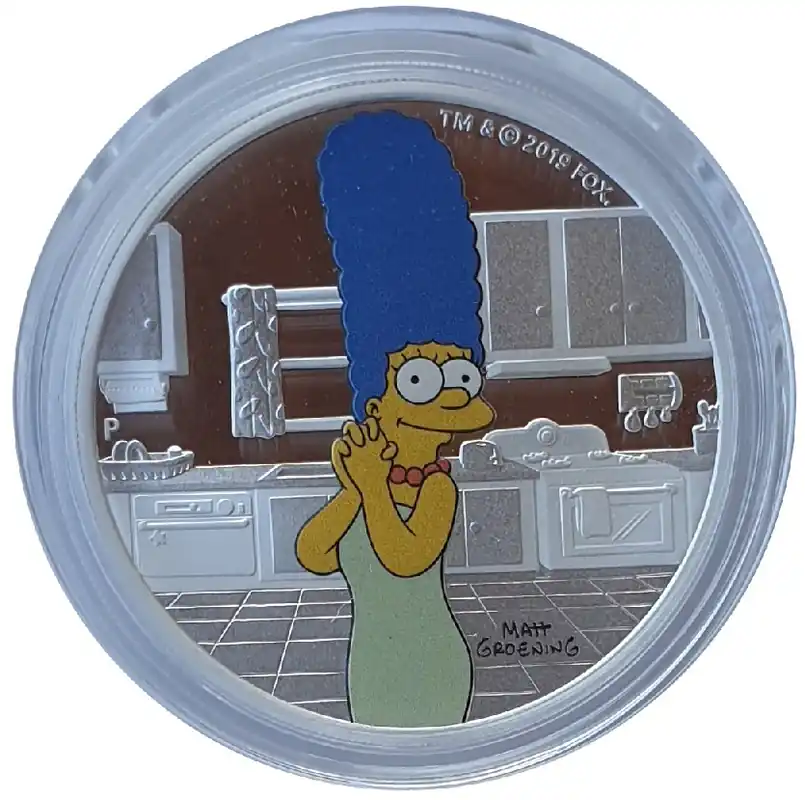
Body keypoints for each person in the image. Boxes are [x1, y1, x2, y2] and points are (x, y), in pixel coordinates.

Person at [296, 110, 495, 727]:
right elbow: (315, 554)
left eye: (461, 377)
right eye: (420, 381)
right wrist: (356, 488)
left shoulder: (436, 489)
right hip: (371, 666)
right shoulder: (369, 478)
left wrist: (372, 486)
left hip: (430, 664)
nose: (450, 400)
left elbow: (404, 559)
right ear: (378, 404)